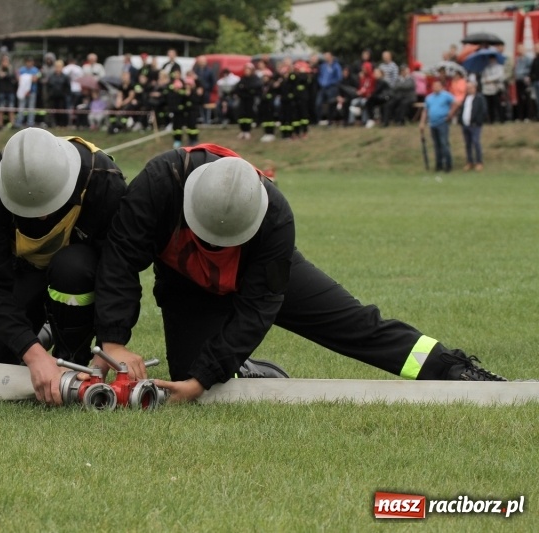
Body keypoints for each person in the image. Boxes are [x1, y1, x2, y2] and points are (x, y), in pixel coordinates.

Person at [92, 146, 507, 404]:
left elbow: (259, 308)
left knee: (355, 325)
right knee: (188, 381)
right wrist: (114, 341)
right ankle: (249, 368)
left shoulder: (274, 214)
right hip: (186, 286)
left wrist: (205, 376)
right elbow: (120, 259)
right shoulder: (159, 184)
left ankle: (450, 367)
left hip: (260, 277)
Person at [0, 128, 128, 406]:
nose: (42, 214)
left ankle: (72, 354)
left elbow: (118, 271)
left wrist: (111, 342)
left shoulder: (104, 181)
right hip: (24, 274)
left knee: (72, 266)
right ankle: (43, 333)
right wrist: (32, 353)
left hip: (78, 280)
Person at [420, 80, 460, 173]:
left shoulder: (446, 95)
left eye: (437, 86)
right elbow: (425, 110)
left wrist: (450, 114)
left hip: (442, 122)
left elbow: (456, 103)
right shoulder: (429, 98)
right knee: (436, 145)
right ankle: (439, 165)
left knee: (444, 144)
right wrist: (422, 122)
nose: (435, 87)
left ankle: (448, 165)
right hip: (432, 123)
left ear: (442, 87)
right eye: (434, 86)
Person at [459, 81, 487, 172]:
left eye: (470, 87)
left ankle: (479, 162)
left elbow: (483, 111)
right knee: (468, 144)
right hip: (465, 125)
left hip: (475, 125)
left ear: (475, 88)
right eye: (467, 88)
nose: (468, 89)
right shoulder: (466, 98)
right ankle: (469, 162)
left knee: (476, 142)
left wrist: (478, 121)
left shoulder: (479, 98)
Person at [315, 52, 342, 125]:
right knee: (318, 103)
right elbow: (320, 76)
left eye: (327, 56)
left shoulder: (336, 66)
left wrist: (330, 83)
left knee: (331, 104)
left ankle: (330, 120)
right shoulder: (323, 66)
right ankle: (318, 120)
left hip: (331, 88)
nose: (325, 58)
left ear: (331, 57)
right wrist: (321, 82)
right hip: (323, 88)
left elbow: (338, 77)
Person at [16, 57, 39, 128]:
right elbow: (18, 77)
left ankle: (30, 123)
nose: (29, 63)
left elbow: (36, 79)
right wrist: (30, 77)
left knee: (31, 107)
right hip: (23, 92)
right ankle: (19, 122)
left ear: (32, 62)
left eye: (30, 62)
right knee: (21, 107)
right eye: (28, 62)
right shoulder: (22, 69)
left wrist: (25, 77)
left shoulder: (36, 70)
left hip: (32, 91)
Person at [0, 55, 17, 130]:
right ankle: (0, 125)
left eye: (6, 61)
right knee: (0, 109)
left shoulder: (11, 70)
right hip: (1, 91)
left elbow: (13, 78)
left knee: (11, 109)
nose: (5, 62)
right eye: (4, 61)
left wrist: (5, 75)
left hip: (10, 91)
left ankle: (12, 124)